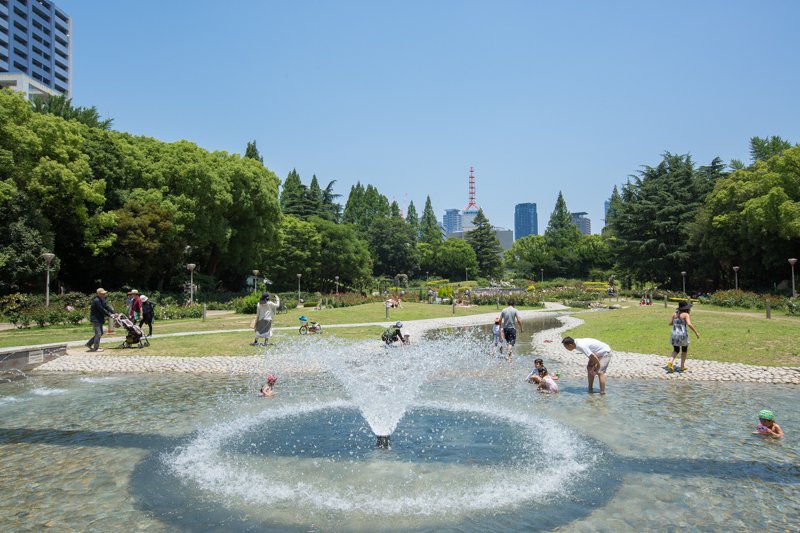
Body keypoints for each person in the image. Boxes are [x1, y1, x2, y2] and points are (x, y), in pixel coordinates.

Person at [667, 300, 700, 373]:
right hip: (682, 334)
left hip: (674, 334)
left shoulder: (674, 314)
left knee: (676, 350)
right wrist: (696, 332)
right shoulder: (685, 314)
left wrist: (673, 323)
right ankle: (682, 366)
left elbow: (671, 323)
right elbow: (689, 324)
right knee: (684, 350)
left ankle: (670, 361)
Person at [85, 288, 116, 352]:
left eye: (104, 293)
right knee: (98, 333)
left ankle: (89, 344)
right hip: (95, 319)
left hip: (99, 319)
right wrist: (110, 315)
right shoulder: (96, 301)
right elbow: (102, 309)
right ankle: (96, 348)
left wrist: (114, 313)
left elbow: (107, 307)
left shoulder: (102, 299)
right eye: (103, 293)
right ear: (98, 294)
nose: (104, 294)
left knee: (100, 333)